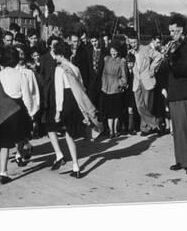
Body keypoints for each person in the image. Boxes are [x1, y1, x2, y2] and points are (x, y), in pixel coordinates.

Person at [49, 41, 98, 178]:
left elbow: (59, 91)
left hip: (65, 101)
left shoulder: (60, 69)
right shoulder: (75, 68)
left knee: (53, 128)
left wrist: (58, 111)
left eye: (56, 54)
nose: (55, 57)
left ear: (61, 55)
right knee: (70, 133)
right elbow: (82, 87)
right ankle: (75, 165)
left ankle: (63, 157)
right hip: (76, 101)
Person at [0, 47, 35, 184]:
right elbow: (27, 97)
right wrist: (31, 113)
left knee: (4, 142)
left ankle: (3, 172)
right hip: (17, 109)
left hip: (2, 109)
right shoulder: (21, 75)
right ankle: (21, 154)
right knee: (21, 135)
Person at [165, 16, 187, 175]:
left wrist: (171, 58)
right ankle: (180, 159)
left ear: (181, 30)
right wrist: (166, 57)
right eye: (170, 31)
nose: (171, 34)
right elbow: (168, 71)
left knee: (184, 128)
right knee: (176, 130)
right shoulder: (174, 46)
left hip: (184, 93)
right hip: (173, 92)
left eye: (174, 31)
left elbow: (184, 70)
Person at [129, 33, 164, 136]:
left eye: (134, 42)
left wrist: (152, 69)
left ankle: (145, 128)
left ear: (138, 41)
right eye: (131, 43)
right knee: (140, 106)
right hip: (136, 82)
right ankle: (156, 124)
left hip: (147, 80)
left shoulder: (145, 49)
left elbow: (159, 56)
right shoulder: (130, 52)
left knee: (147, 105)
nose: (133, 44)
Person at [15, 44, 41, 160]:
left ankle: (20, 153)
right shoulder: (9, 72)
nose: (20, 56)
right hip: (13, 106)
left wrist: (35, 110)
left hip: (26, 106)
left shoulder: (29, 72)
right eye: (17, 53)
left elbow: (34, 92)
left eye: (22, 53)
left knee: (24, 132)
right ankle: (20, 151)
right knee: (16, 132)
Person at [98, 41, 128, 138]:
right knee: (109, 112)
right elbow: (103, 73)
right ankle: (111, 131)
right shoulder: (106, 59)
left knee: (116, 112)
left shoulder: (121, 62)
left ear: (118, 51)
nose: (113, 53)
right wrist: (103, 84)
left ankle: (115, 130)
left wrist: (119, 84)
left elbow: (124, 77)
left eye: (115, 51)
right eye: (112, 51)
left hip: (116, 89)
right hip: (106, 88)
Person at [86, 32, 106, 105]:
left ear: (99, 40)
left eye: (96, 41)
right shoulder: (88, 51)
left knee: (101, 105)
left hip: (101, 83)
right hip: (91, 83)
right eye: (92, 41)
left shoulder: (105, 51)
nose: (94, 43)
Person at [124, 53, 140, 135]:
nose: (129, 64)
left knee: (132, 110)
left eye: (131, 62)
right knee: (129, 110)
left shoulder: (135, 71)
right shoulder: (125, 71)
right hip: (127, 93)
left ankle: (132, 127)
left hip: (133, 92)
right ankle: (129, 127)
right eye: (128, 63)